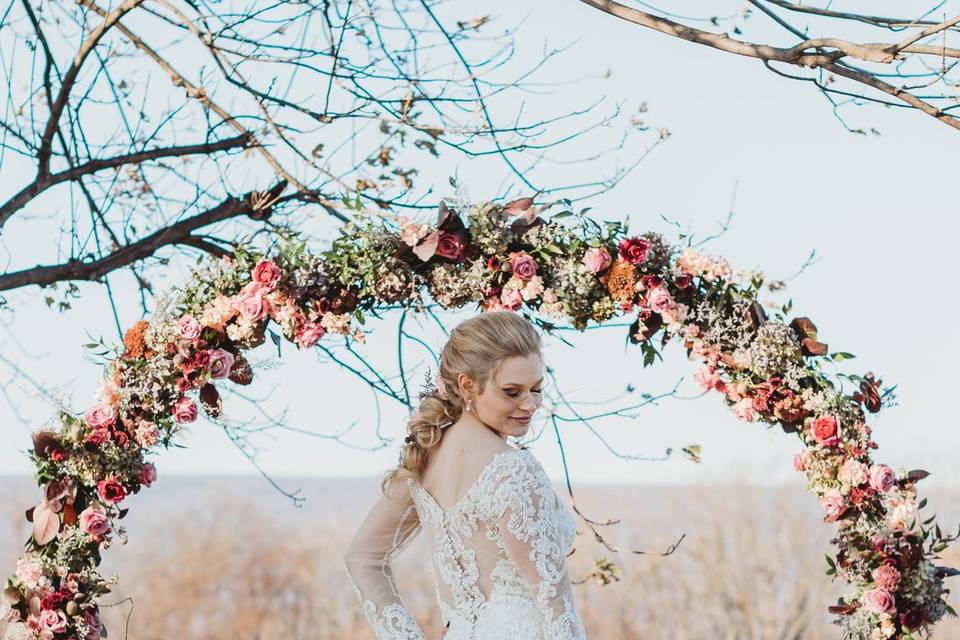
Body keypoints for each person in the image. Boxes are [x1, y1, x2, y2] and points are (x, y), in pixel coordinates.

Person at [344, 311, 588, 640]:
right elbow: (557, 610)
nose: (530, 405)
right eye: (512, 392)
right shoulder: (514, 469)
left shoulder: (423, 460)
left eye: (536, 388)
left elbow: (362, 558)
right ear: (467, 386)